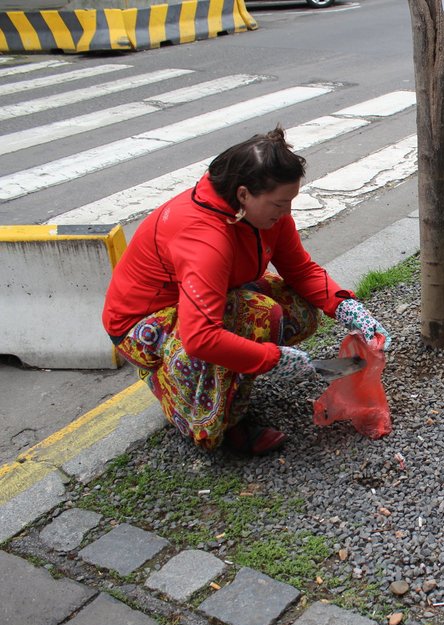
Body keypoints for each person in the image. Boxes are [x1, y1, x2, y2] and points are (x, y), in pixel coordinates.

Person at [102, 127, 389, 455]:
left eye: (290, 202)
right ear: (243, 195)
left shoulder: (266, 216)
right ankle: (211, 419)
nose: (286, 213)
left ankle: (231, 374)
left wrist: (346, 307)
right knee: (259, 315)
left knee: (298, 311)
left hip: (209, 295)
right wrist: (274, 359)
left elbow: (300, 270)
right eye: (279, 204)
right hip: (141, 323)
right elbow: (201, 337)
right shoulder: (204, 239)